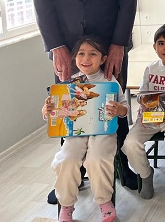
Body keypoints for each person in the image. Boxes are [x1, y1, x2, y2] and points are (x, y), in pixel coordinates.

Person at [31, 0, 139, 197]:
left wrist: (118, 43)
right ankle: (72, 174)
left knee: (112, 104)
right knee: (71, 108)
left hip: (110, 43)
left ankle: (119, 164)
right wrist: (56, 46)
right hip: (67, 47)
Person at [42, 36, 129, 222]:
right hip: (76, 134)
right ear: (74, 58)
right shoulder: (69, 83)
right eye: (81, 54)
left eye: (92, 54)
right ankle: (66, 204)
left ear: (103, 59)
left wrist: (118, 109)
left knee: (97, 159)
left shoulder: (110, 81)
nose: (86, 59)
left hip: (103, 132)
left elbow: (125, 109)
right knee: (66, 160)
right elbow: (57, 112)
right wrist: (47, 110)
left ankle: (104, 202)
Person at [122, 23, 165, 200]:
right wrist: (145, 102)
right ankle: (146, 174)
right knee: (130, 143)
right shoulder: (151, 68)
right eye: (161, 43)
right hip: (149, 117)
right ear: (155, 47)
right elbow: (140, 95)